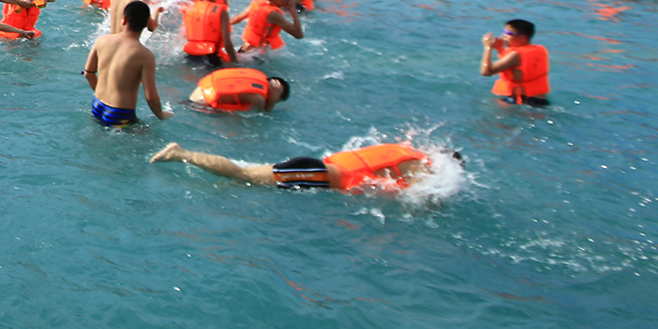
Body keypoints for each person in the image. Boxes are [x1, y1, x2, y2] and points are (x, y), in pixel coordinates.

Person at [150, 140, 452, 192]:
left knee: (249, 176)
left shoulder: (405, 150)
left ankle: (214, 174)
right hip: (316, 175)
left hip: (316, 168)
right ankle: (182, 154)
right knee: (244, 175)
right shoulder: (419, 167)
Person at [81, 0, 168, 125]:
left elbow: (88, 73)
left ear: (124, 19)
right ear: (146, 24)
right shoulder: (145, 55)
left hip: (97, 106)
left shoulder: (102, 40)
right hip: (120, 114)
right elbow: (150, 97)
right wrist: (161, 115)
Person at [480, 18, 550, 106]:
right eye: (504, 31)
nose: (504, 35)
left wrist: (488, 47)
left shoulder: (515, 55)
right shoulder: (540, 49)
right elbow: (517, 67)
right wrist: (500, 49)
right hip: (539, 100)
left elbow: (486, 72)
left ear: (523, 38)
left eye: (509, 33)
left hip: (521, 102)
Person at [176, 0, 237, 65]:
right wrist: (235, 63)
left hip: (190, 55)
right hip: (210, 56)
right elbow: (227, 43)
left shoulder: (191, 7)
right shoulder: (221, 12)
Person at [234, 0, 303, 51]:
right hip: (254, 56)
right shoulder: (273, 14)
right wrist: (293, 10)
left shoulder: (257, 3)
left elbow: (237, 18)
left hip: (245, 50)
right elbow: (298, 34)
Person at [188, 68, 290, 112]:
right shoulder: (259, 98)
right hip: (201, 105)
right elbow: (262, 113)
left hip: (199, 89)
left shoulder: (257, 75)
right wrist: (272, 102)